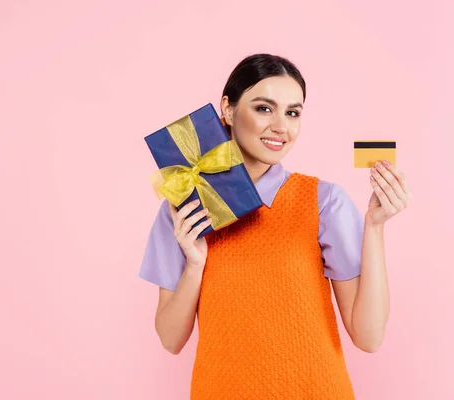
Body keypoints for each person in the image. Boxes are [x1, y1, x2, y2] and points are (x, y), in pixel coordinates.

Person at [139, 54, 411, 399]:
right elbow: (170, 339)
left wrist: (374, 227)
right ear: (227, 109)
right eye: (264, 108)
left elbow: (368, 337)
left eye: (292, 112)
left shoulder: (324, 201)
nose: (281, 127)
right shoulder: (185, 206)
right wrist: (195, 265)